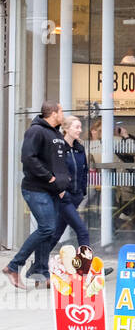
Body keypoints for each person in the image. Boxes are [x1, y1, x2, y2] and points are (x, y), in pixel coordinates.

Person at [3, 102, 70, 289]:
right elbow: (28, 158)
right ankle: (13, 266)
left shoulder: (56, 133)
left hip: (53, 190)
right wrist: (49, 178)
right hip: (36, 189)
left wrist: (62, 184)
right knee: (47, 228)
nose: (63, 114)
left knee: (48, 232)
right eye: (61, 111)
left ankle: (41, 271)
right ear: (54, 113)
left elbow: (59, 163)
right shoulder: (36, 131)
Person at [52, 116, 91, 251]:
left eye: (80, 127)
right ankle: (87, 267)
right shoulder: (59, 148)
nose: (80, 130)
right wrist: (61, 192)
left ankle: (37, 265)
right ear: (66, 129)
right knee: (82, 231)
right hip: (63, 197)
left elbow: (84, 170)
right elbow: (53, 171)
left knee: (56, 233)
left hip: (76, 196)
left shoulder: (79, 148)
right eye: (76, 127)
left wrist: (82, 192)